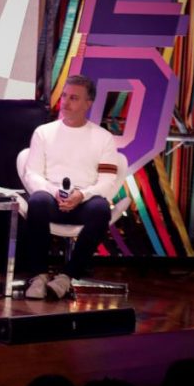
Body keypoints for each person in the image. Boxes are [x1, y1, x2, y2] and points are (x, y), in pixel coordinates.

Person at [22, 74, 120, 300]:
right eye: (64, 96)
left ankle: (68, 276)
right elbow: (32, 173)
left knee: (101, 209)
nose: (65, 102)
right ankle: (38, 275)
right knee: (37, 201)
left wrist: (82, 195)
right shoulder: (43, 133)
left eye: (73, 98)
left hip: (84, 202)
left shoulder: (103, 138)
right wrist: (53, 192)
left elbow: (107, 181)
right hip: (52, 198)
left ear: (88, 103)